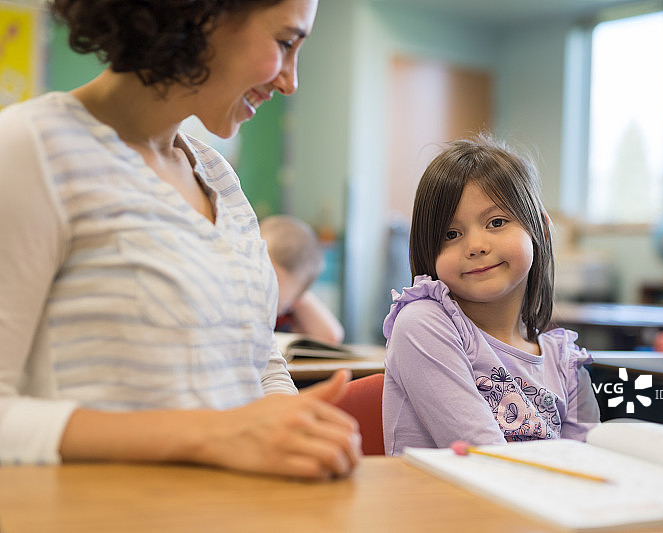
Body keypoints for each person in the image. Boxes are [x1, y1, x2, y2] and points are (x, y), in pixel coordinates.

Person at [0, 0, 361, 478]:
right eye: (285, 42)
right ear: (200, 14)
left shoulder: (218, 177)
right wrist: (212, 434)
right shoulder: (30, 150)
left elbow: (257, 360)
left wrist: (296, 433)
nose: (290, 81)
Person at [382, 135, 600, 456]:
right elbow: (485, 460)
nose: (475, 246)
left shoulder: (566, 362)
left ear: (539, 229)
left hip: (536, 504)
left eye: (496, 222)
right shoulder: (423, 324)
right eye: (451, 234)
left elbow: (588, 462)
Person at [260, 215, 344, 344]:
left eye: (274, 300)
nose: (260, 303)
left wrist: (299, 294)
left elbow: (332, 337)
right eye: (260, 286)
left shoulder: (287, 314)